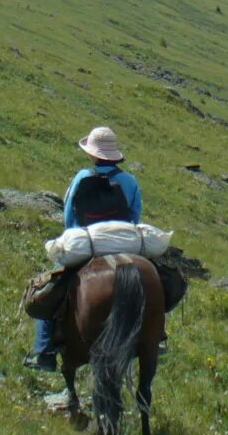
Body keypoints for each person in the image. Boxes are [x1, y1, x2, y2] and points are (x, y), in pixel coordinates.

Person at [23, 126, 142, 372]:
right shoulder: (130, 181)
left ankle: (44, 352)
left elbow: (69, 217)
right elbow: (135, 216)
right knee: (155, 280)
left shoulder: (81, 178)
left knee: (50, 288)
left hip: (87, 243)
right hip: (122, 243)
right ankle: (156, 335)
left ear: (92, 154)